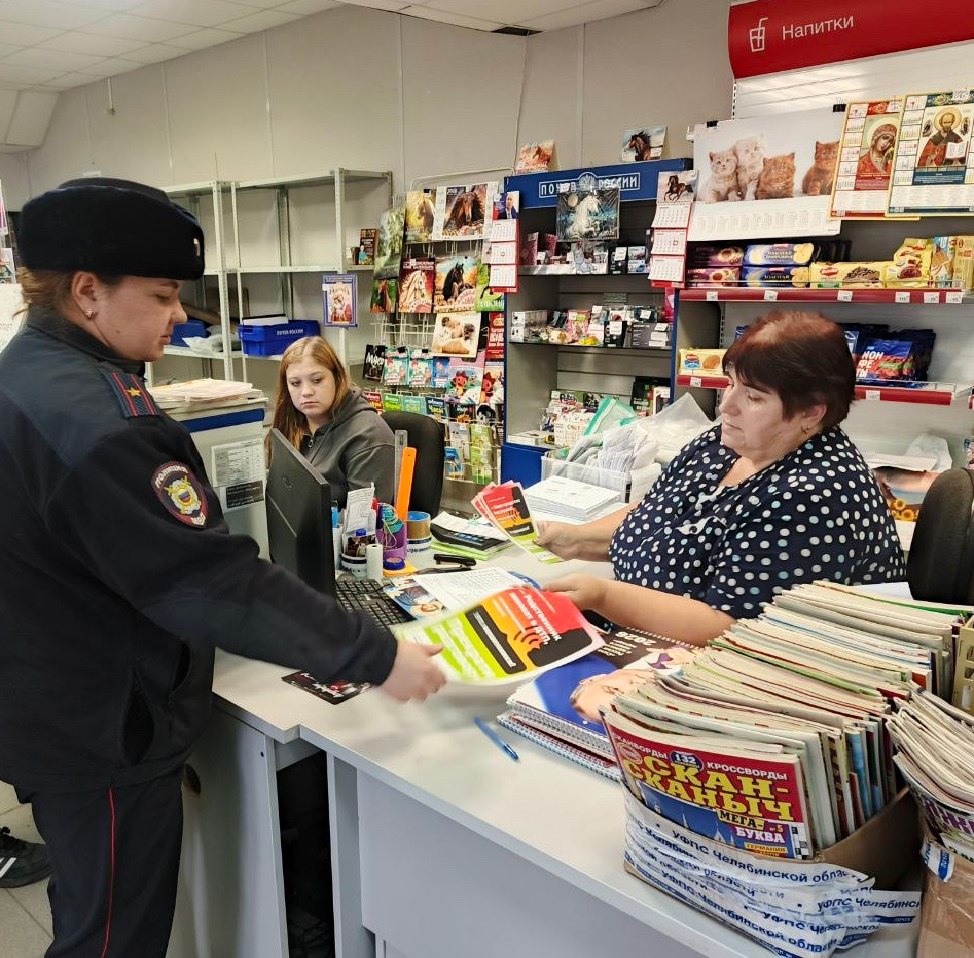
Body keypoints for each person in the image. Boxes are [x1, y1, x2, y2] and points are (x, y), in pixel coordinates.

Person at [0, 177, 445, 957]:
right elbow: (207, 579)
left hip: (44, 696)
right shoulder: (103, 424)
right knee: (110, 939)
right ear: (86, 291)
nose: (181, 316)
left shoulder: (25, 373)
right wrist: (378, 654)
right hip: (100, 728)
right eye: (165, 294)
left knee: (91, 910)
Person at [537, 311, 905, 646]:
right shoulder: (724, 442)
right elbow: (657, 512)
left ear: (811, 412)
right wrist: (575, 538)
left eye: (754, 398)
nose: (726, 406)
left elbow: (732, 628)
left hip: (726, 673)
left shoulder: (815, 494)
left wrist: (603, 596)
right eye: (730, 384)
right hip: (642, 636)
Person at [270, 335, 395, 507]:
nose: (306, 391)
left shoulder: (369, 435)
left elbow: (364, 524)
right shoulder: (291, 419)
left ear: (338, 377)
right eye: (295, 383)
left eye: (317, 380)